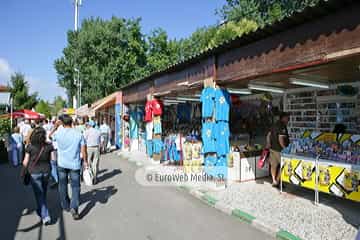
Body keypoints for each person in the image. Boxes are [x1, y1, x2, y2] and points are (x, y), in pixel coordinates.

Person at [49, 115, 88, 220]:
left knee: (62, 185)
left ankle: (65, 205)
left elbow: (49, 136)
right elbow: (83, 150)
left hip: (61, 164)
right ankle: (74, 208)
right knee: (75, 186)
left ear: (61, 123)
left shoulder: (58, 133)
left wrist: (55, 126)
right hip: (74, 164)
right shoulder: (78, 134)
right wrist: (85, 162)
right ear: (72, 122)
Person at [21, 127, 55, 225]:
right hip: (46, 171)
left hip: (34, 173)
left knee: (39, 194)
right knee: (43, 192)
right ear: (44, 136)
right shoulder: (49, 146)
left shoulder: (30, 147)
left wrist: (23, 171)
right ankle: (40, 210)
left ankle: (45, 216)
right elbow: (53, 159)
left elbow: (25, 161)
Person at [269, 112, 290, 187]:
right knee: (283, 165)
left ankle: (274, 180)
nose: (288, 119)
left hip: (272, 148)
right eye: (287, 118)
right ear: (283, 118)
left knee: (273, 165)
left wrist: (268, 144)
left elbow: (268, 135)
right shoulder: (282, 126)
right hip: (280, 150)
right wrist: (285, 149)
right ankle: (277, 181)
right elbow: (280, 138)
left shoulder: (274, 124)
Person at [84, 120, 101, 184]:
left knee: (88, 162)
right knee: (95, 163)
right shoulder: (98, 131)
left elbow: (84, 140)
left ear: (90, 125)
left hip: (89, 148)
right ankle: (95, 178)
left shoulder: (87, 131)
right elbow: (100, 141)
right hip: (96, 147)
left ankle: (90, 177)